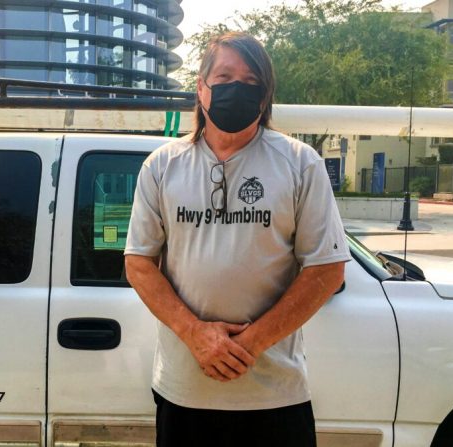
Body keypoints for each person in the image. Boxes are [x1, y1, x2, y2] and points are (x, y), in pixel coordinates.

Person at [124, 31, 350, 446]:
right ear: (201, 87)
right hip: (185, 393)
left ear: (264, 98)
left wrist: (249, 345)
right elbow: (139, 262)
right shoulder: (161, 167)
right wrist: (194, 333)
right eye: (225, 77)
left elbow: (327, 267)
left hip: (275, 397)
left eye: (250, 84)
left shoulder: (300, 164)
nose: (236, 90)